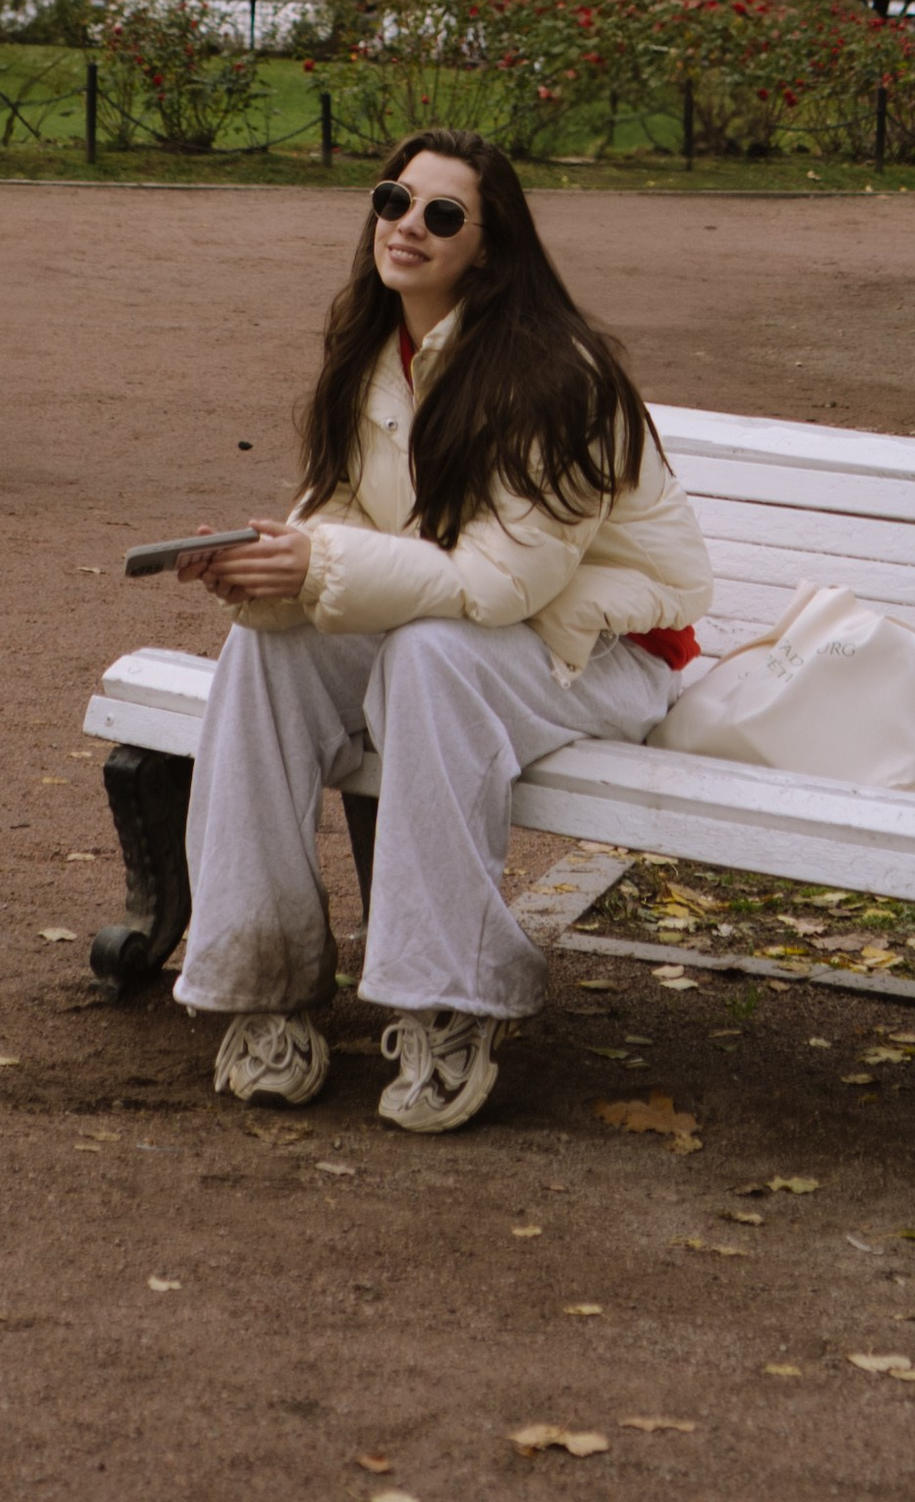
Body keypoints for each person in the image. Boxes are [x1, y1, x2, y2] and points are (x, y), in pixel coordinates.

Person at [172, 131, 711, 1133]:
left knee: (430, 657)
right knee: (267, 646)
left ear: (491, 248)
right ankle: (267, 983)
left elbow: (502, 583)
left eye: (441, 215)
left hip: (599, 652)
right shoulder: (369, 350)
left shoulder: (560, 378)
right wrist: (269, 574)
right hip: (465, 633)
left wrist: (318, 564)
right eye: (392, 201)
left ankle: (450, 1000)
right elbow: (338, 525)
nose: (406, 227)